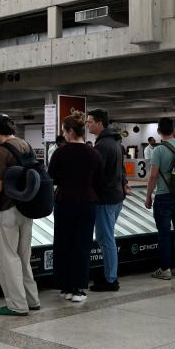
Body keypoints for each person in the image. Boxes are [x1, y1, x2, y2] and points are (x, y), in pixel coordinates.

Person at [0, 113, 41, 316]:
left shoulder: (1, 151)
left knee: (5, 258)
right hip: (26, 209)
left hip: (8, 210)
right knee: (23, 257)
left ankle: (17, 305)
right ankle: (32, 299)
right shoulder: (26, 145)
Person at [49, 112, 103, 303]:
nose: (63, 134)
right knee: (82, 245)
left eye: (64, 131)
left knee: (63, 243)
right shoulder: (93, 153)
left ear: (71, 131)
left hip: (64, 201)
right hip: (87, 203)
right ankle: (79, 288)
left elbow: (52, 176)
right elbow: (99, 180)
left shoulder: (59, 153)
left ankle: (65, 286)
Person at [86, 109, 130, 292]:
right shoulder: (115, 143)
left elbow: (95, 174)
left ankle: (111, 279)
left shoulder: (102, 146)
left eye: (90, 122)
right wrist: (124, 184)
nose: (87, 125)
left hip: (105, 199)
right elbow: (121, 169)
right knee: (107, 238)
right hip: (115, 196)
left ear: (99, 123)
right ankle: (109, 275)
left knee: (106, 239)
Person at [144, 117, 175, 280]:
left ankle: (165, 269)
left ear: (158, 131)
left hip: (163, 196)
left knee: (164, 234)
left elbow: (153, 175)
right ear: (174, 130)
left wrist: (148, 196)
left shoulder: (158, 150)